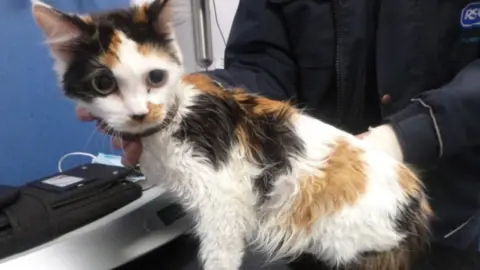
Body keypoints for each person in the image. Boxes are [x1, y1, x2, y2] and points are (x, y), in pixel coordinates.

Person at [78, 0, 480, 267]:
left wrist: (409, 134)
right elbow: (263, 66)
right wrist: (189, 97)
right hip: (308, 219)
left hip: (447, 220)